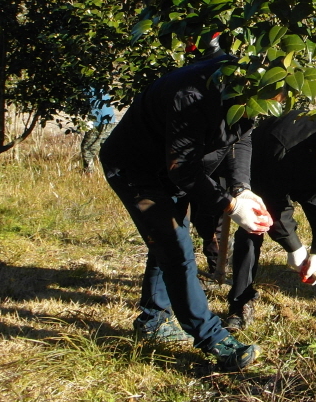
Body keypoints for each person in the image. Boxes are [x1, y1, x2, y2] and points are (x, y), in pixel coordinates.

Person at [98, 52, 273, 372]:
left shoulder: (248, 94)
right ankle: (213, 339)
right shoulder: (192, 97)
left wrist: (241, 187)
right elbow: (184, 172)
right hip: (136, 170)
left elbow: (242, 135)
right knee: (175, 247)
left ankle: (152, 319)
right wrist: (231, 207)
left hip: (170, 169)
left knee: (168, 240)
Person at [227, 111, 316, 330]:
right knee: (253, 226)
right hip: (267, 162)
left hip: (309, 169)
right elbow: (273, 204)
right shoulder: (280, 147)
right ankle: (240, 305)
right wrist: (293, 247)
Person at [80, 91, 116, 173]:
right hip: (109, 119)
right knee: (107, 149)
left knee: (87, 148)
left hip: (99, 121)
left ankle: (89, 172)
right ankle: (112, 172)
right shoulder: (101, 84)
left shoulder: (88, 85)